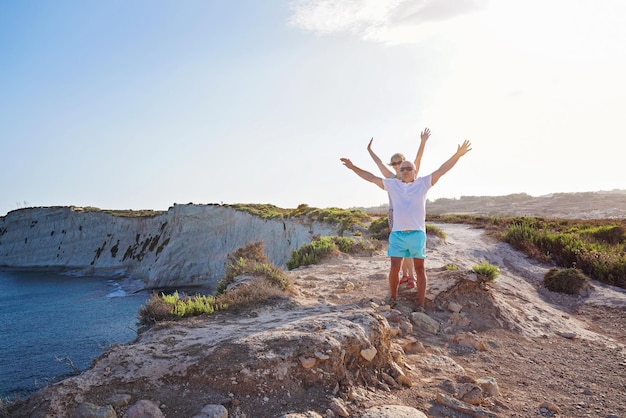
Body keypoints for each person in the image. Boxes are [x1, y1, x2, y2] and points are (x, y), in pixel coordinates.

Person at [340, 139, 472, 310]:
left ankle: (421, 304)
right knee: (394, 267)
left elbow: (442, 170)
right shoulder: (392, 184)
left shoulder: (423, 183)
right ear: (399, 172)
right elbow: (371, 177)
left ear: (415, 171)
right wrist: (353, 167)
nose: (405, 171)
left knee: (420, 269)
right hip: (398, 234)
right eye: (402, 169)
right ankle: (393, 298)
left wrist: (457, 155)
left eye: (409, 168)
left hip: (417, 234)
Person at [367, 128, 431, 289]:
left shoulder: (410, 174)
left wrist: (423, 141)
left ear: (404, 162)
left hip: (410, 216)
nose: (397, 166)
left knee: (410, 248)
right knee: (400, 249)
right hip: (393, 214)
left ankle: (411, 276)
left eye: (399, 162)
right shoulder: (390, 178)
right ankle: (404, 275)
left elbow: (419, 158)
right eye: (394, 163)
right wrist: (370, 151)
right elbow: (378, 164)